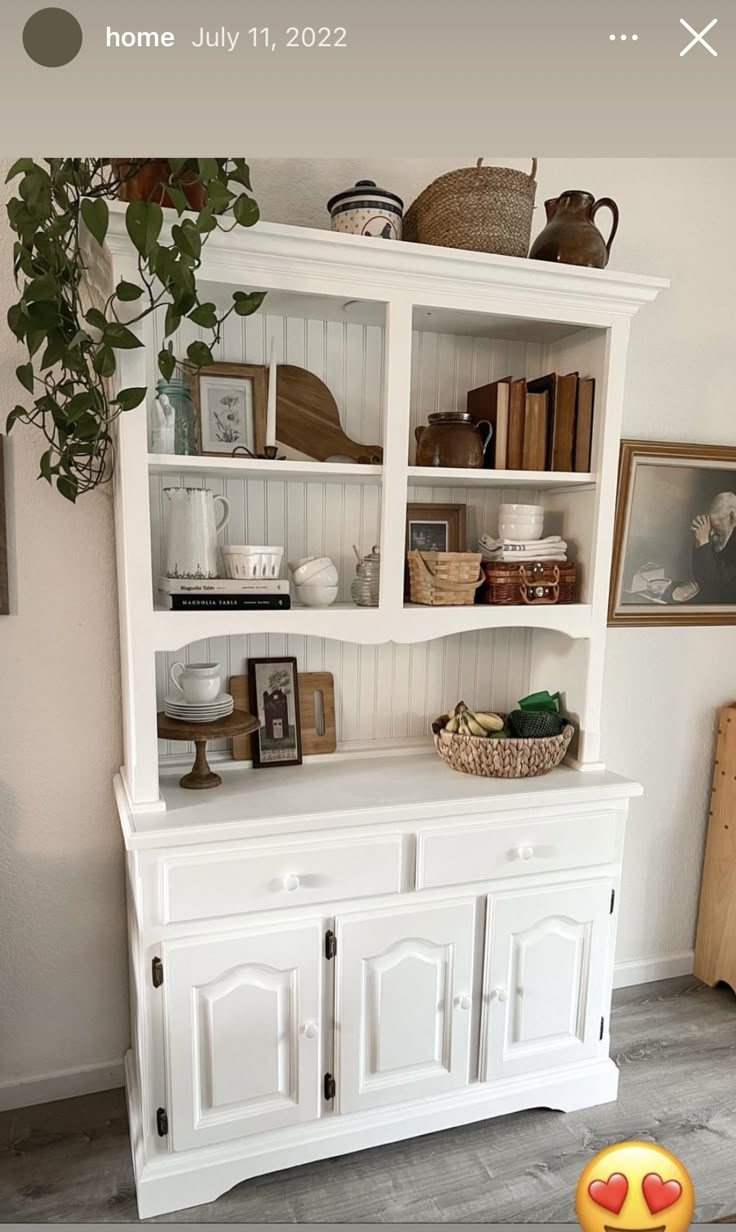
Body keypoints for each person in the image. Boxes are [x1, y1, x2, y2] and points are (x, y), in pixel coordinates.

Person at [690, 491, 736, 602]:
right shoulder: (721, 534)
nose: (711, 533)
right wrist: (698, 541)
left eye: (716, 526)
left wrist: (703, 543)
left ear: (732, 516)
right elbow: (701, 578)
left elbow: (714, 587)